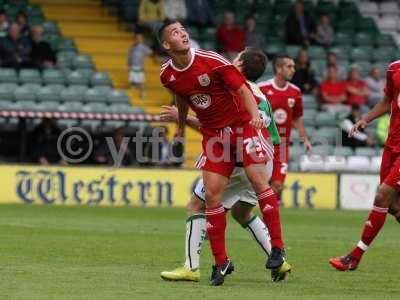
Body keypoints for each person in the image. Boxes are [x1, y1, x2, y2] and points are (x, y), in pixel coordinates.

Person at [158, 20, 286, 286]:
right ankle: (221, 262)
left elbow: (242, 89)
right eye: (174, 32)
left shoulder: (211, 60)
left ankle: (278, 249)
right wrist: (180, 126)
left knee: (257, 181)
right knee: (212, 197)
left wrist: (253, 118)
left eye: (183, 30)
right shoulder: (166, 74)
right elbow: (182, 94)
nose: (182, 33)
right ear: (165, 44)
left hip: (242, 127)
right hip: (215, 137)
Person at [329, 60, 400, 271]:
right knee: (393, 206)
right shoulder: (394, 69)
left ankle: (354, 256)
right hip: (392, 145)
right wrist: (365, 119)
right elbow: (388, 100)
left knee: (382, 195)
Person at [258, 55, 312, 200]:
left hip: (281, 147)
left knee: (277, 186)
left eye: (293, 67)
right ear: (278, 68)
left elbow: (296, 118)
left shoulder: (295, 92)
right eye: (289, 66)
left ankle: (270, 220)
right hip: (262, 144)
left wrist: (305, 139)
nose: (293, 70)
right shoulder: (262, 88)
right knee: (259, 186)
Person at [128, 33, 153, 98]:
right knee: (132, 81)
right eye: (137, 38)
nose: (139, 40)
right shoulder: (132, 47)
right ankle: (131, 94)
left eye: (140, 38)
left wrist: (147, 55)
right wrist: (129, 63)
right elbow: (129, 56)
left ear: (142, 40)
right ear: (135, 39)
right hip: (133, 66)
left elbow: (150, 53)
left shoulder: (143, 47)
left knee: (141, 81)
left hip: (140, 67)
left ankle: (142, 93)